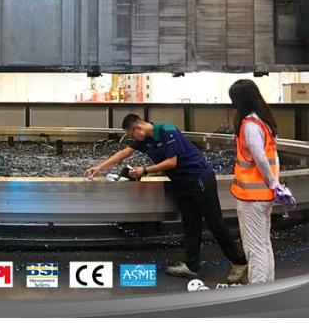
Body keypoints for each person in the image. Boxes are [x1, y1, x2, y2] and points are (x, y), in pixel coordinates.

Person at [84, 114, 248, 282]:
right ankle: (191, 266)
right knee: (191, 223)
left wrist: (144, 170)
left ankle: (239, 261)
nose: (133, 139)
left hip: (198, 178)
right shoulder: (144, 139)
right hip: (182, 182)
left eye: (132, 135)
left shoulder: (166, 130)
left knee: (215, 222)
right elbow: (123, 153)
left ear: (138, 128)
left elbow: (172, 162)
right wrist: (99, 168)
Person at [229, 79, 281, 284]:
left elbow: (260, 158)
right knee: (264, 244)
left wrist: (273, 184)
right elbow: (272, 158)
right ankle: (269, 289)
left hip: (251, 198)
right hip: (264, 196)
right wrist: (274, 185)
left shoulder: (250, 125)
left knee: (254, 248)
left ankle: (258, 292)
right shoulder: (263, 122)